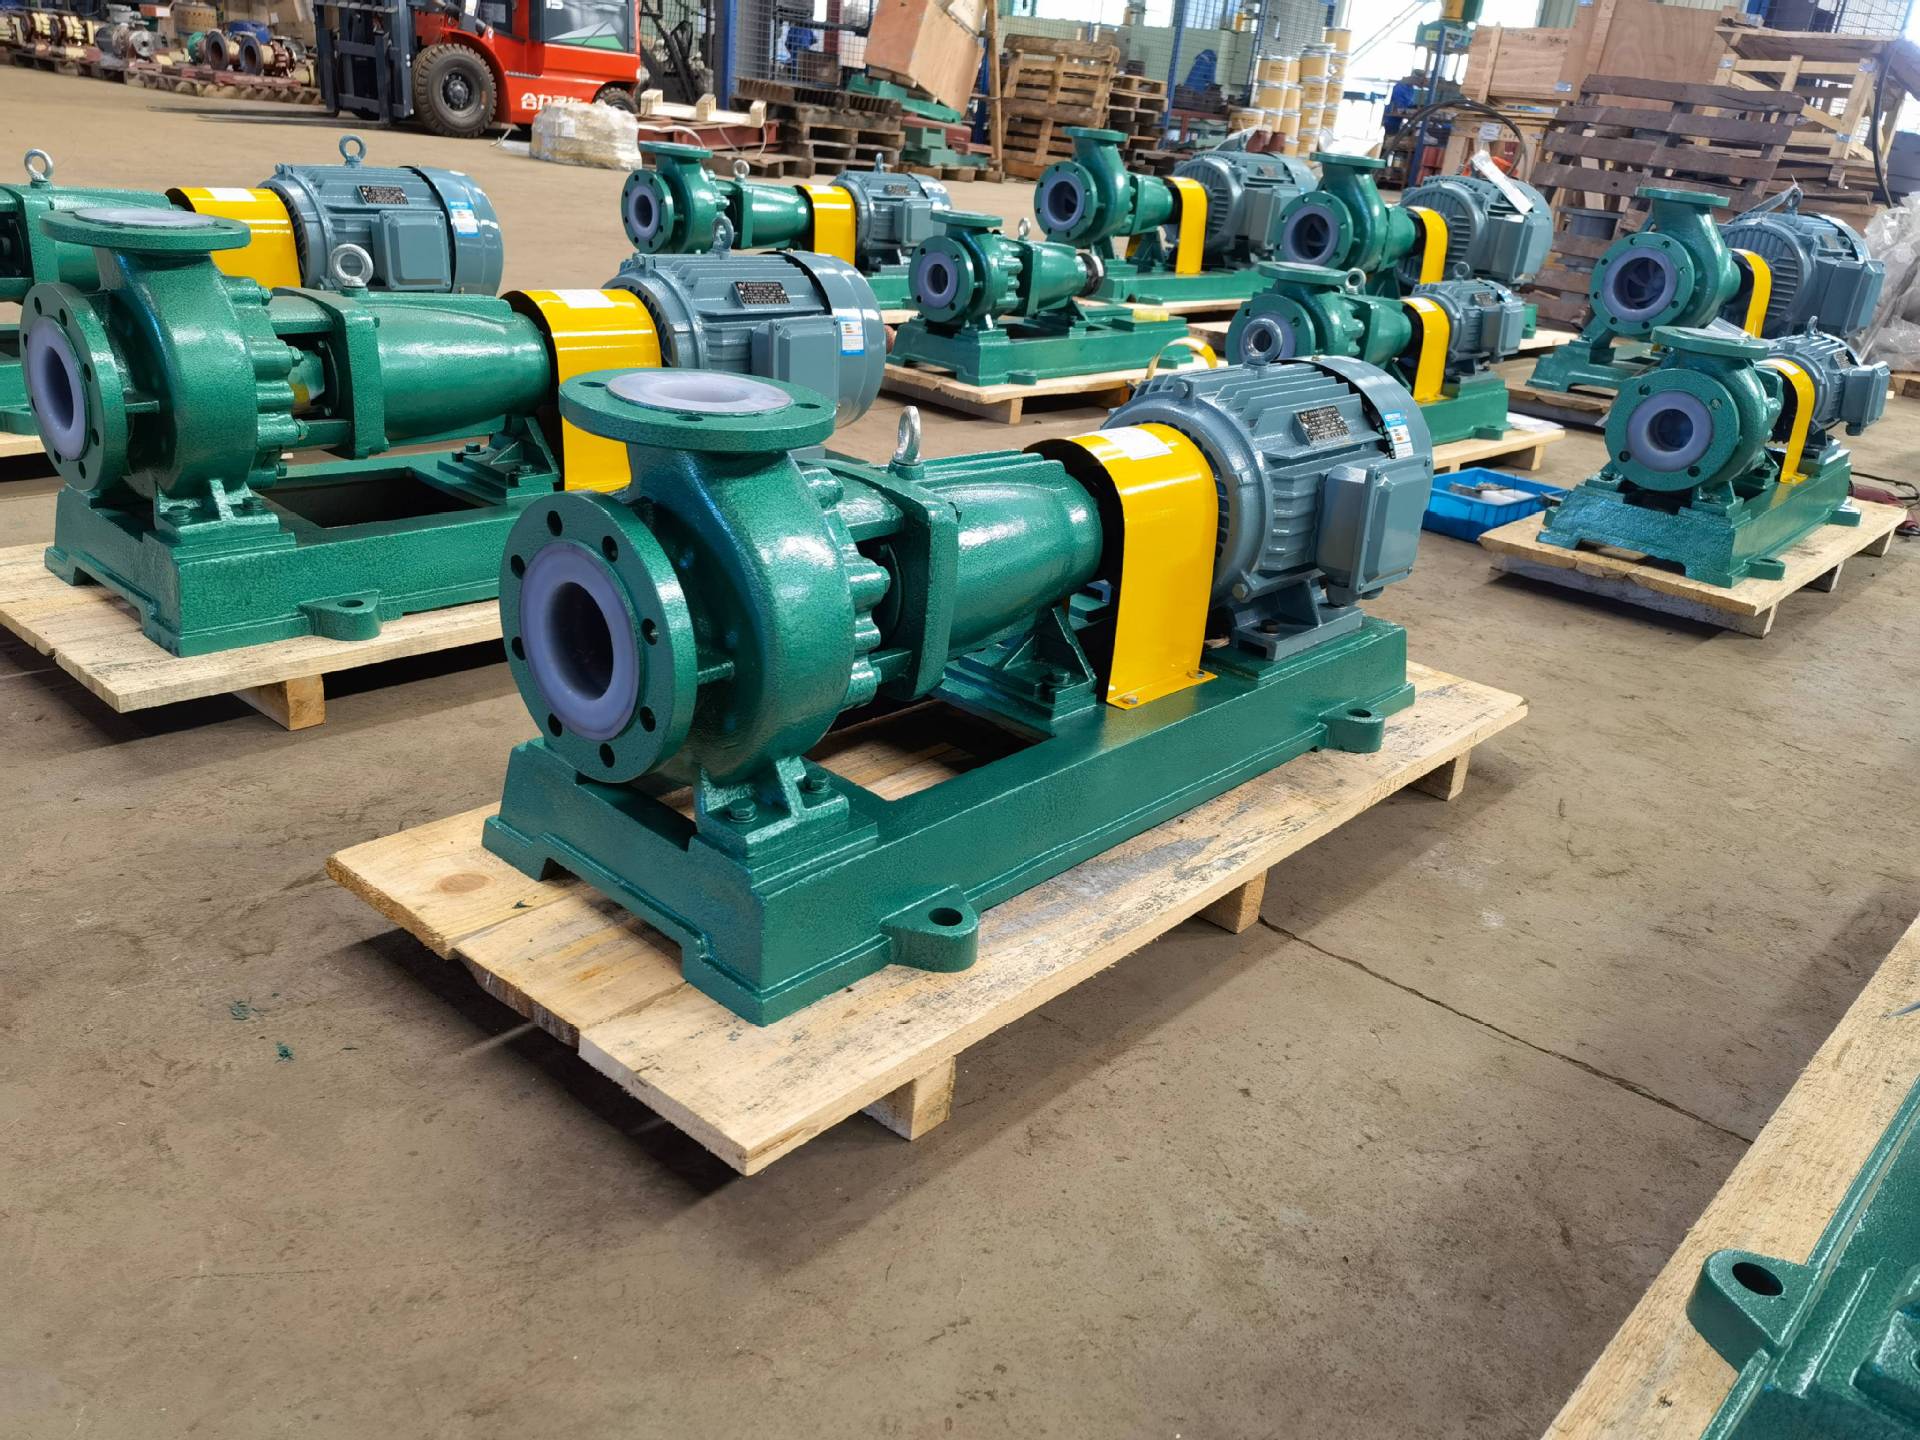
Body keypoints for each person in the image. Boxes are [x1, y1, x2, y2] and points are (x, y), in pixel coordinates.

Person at [1383, 69, 1427, 135]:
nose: (1420, 85)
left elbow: (1408, 104)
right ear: (1414, 79)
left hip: (1399, 117)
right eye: (1420, 83)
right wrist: (1411, 111)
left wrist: (1415, 108)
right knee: (1391, 136)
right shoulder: (1399, 87)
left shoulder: (1410, 88)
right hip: (1391, 119)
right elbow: (1398, 107)